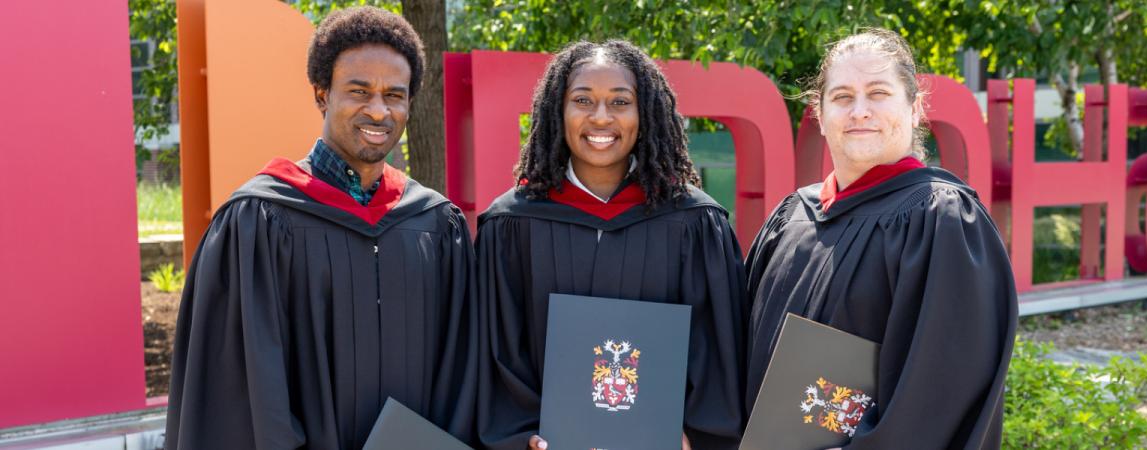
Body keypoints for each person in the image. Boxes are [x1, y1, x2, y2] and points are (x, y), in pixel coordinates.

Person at [165, 7, 476, 450]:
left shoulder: (434, 224)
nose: (378, 110)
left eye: (395, 95)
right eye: (358, 91)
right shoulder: (259, 221)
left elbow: (460, 376)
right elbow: (240, 395)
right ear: (321, 94)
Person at [744, 28, 1017, 449]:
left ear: (914, 108)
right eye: (841, 97)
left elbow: (944, 392)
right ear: (819, 112)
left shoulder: (941, 221)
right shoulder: (792, 219)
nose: (859, 111)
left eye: (877, 93)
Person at [475, 40, 748, 450]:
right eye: (582, 99)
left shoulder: (693, 221)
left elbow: (717, 349)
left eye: (620, 102)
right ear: (558, 110)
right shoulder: (513, 223)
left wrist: (692, 435)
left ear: (643, 114)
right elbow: (497, 352)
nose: (600, 117)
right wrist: (524, 436)